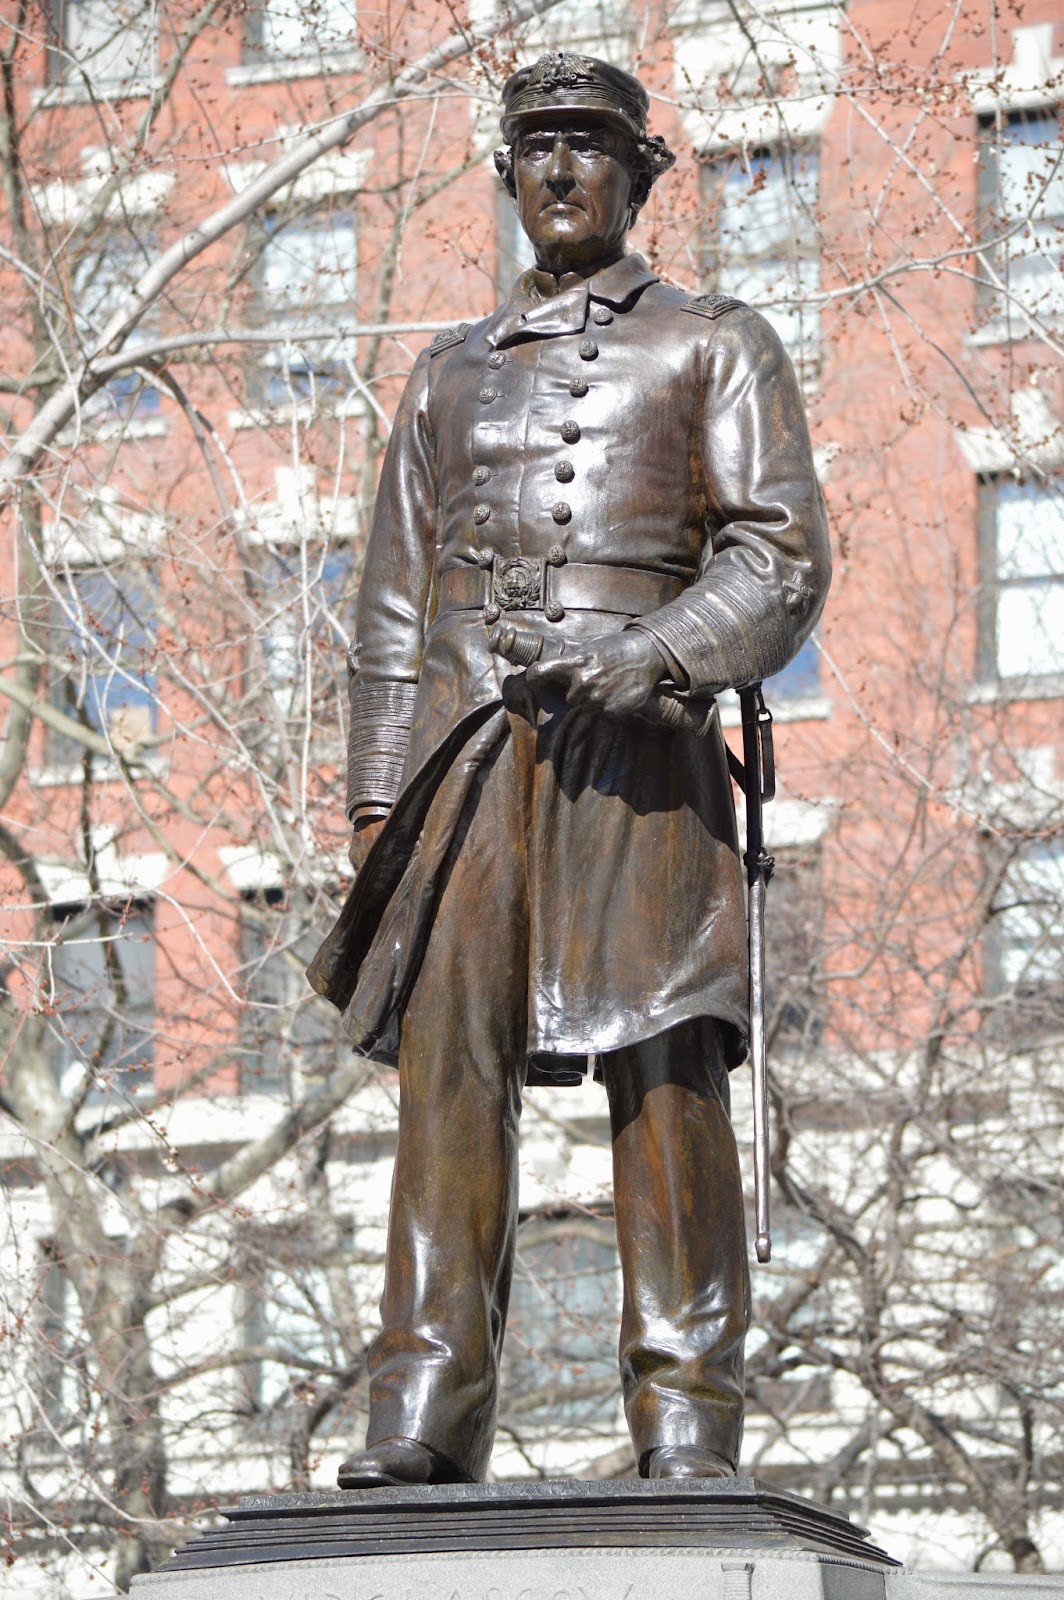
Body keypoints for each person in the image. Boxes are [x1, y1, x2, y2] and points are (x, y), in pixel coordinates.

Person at [308, 50, 830, 1488]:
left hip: (640, 751)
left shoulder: (714, 342)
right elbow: (392, 605)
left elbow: (782, 555)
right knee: (449, 1070)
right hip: (469, 751)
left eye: (589, 144)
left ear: (639, 172)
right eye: (535, 144)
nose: (558, 169)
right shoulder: (446, 372)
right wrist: (376, 798)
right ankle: (423, 1408)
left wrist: (657, 655)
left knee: (664, 1063)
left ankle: (686, 1415)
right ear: (507, 172)